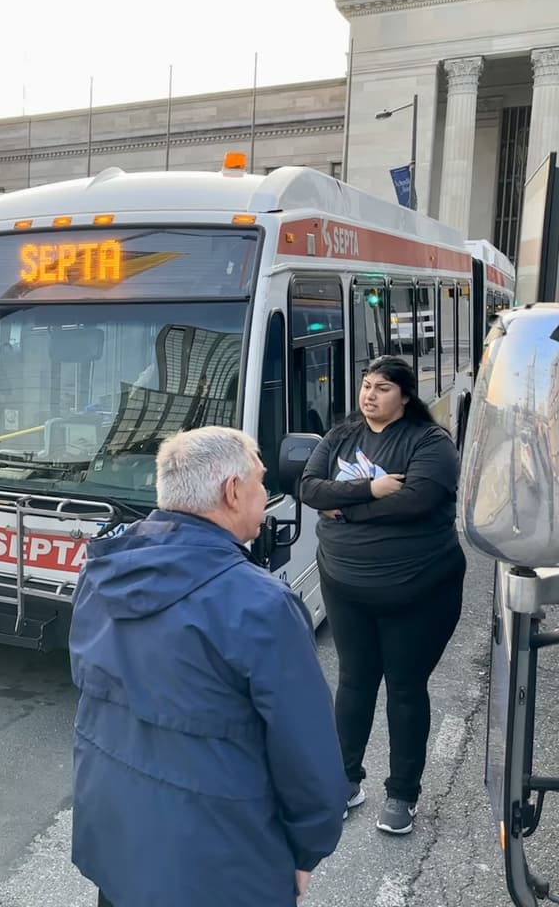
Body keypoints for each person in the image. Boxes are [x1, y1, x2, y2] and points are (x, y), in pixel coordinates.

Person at [69, 426, 347, 907]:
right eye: (261, 482)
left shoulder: (101, 571)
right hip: (218, 865)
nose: (264, 494)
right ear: (233, 491)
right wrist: (307, 849)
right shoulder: (261, 606)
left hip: (115, 842)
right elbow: (308, 754)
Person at [299, 355, 465, 836]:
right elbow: (310, 488)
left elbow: (417, 501)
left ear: (406, 396)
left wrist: (347, 509)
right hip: (344, 585)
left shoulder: (430, 442)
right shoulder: (340, 436)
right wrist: (372, 489)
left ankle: (402, 794)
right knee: (353, 683)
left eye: (383, 388)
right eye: (367, 385)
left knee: (405, 688)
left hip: (418, 591)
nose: (369, 395)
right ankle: (345, 780)